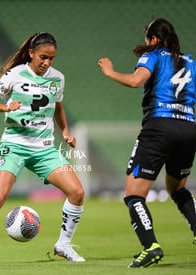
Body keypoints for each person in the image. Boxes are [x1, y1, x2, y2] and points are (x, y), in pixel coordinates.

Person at [0, 32, 85, 267]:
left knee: (77, 192)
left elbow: (58, 107)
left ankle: (64, 245)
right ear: (31, 53)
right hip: (14, 145)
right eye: (43, 57)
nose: (47, 62)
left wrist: (65, 131)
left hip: (44, 149)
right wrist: (6, 106)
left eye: (51, 58)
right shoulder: (14, 75)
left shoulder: (58, 78)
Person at [98, 18, 196, 268]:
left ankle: (150, 246)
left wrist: (109, 72)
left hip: (159, 127)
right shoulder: (191, 61)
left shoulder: (153, 55)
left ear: (153, 40)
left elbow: (136, 81)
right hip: (188, 128)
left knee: (133, 194)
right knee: (177, 189)